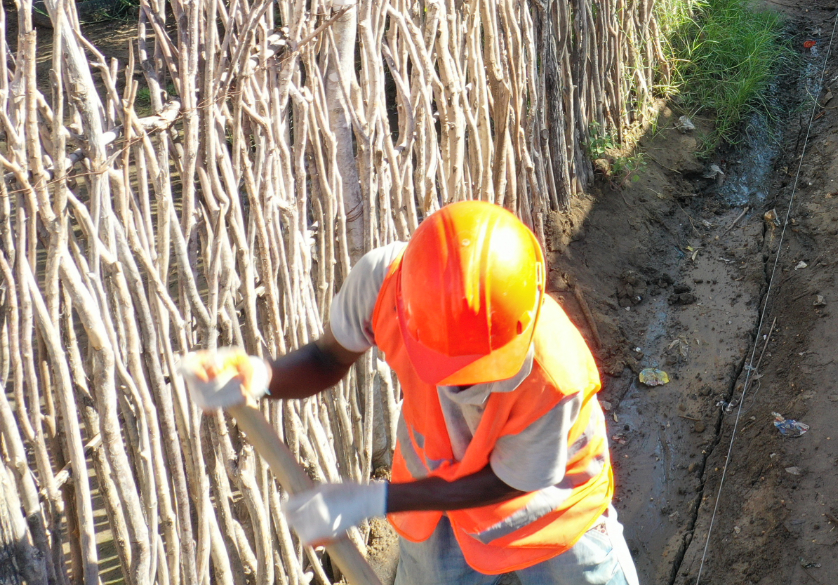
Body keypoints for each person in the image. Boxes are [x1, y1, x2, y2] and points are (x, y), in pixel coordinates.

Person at [177, 202, 637, 585]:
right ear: (408, 308)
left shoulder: (555, 376)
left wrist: (376, 500)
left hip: (549, 504)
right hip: (438, 492)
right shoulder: (384, 283)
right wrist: (259, 376)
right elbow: (326, 360)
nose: (460, 389)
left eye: (479, 371)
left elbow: (506, 481)